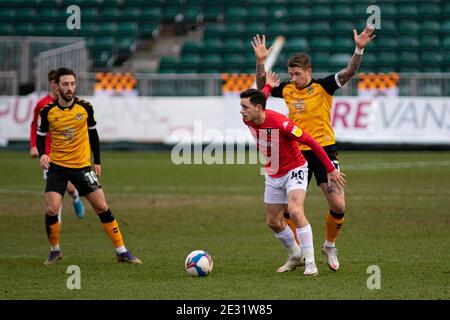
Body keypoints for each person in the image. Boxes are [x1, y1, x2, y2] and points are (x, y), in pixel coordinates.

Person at [252, 26, 375, 271]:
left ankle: (330, 245)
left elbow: (350, 71)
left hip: (324, 149)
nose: (293, 78)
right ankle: (297, 253)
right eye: (290, 74)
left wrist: (359, 48)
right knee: (289, 208)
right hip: (294, 152)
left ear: (308, 71)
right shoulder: (286, 89)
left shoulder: (324, 86)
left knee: (338, 205)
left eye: (297, 74)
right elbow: (260, 89)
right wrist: (260, 62)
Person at [240, 71, 346, 276]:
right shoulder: (250, 118)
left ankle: (311, 264)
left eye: (244, 107)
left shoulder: (281, 123)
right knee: (273, 221)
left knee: (296, 211)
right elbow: (260, 96)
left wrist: (330, 169)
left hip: (295, 169)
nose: (241, 111)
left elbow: (311, 142)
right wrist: (268, 86)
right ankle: (296, 255)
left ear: (258, 108)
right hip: (273, 173)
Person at [36, 67, 142, 265]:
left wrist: (97, 160)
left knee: (102, 206)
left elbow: (93, 134)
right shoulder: (47, 111)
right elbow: (40, 137)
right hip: (57, 167)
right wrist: (42, 154)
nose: (70, 88)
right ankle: (55, 250)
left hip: (82, 166)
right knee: (52, 209)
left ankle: (122, 251)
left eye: (72, 84)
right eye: (65, 84)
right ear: (57, 86)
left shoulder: (85, 108)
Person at [30, 69, 85, 221]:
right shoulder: (42, 104)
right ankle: (56, 223)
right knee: (53, 186)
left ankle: (75, 198)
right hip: (48, 151)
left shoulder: (72, 103)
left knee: (69, 186)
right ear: (52, 84)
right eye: (58, 83)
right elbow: (34, 125)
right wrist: (33, 145)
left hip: (67, 151)